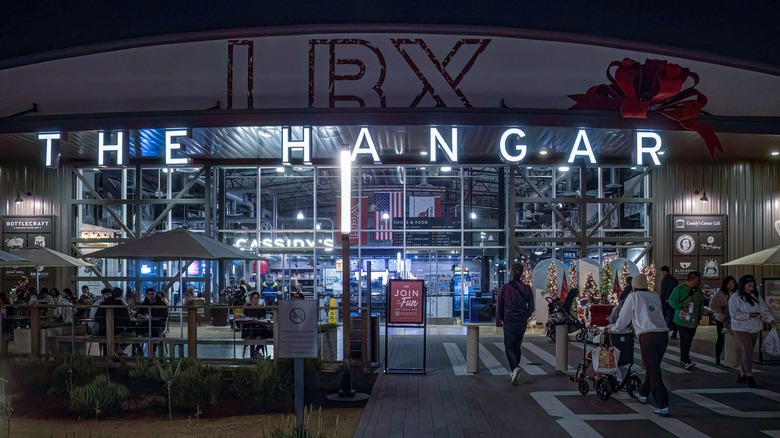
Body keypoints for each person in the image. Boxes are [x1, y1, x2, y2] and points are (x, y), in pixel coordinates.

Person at [607, 274, 670, 417]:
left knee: (654, 370)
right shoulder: (653, 295)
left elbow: (623, 318)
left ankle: (663, 404)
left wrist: (614, 329)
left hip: (647, 335)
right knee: (652, 366)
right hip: (663, 333)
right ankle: (643, 393)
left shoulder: (633, 297)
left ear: (633, 286)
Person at [729, 275, 776, 387]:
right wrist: (747, 315)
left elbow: (764, 310)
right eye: (748, 286)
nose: (751, 288)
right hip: (740, 327)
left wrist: (770, 320)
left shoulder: (756, 296)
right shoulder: (735, 297)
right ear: (742, 285)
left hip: (754, 326)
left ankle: (742, 374)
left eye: (752, 286)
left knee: (747, 351)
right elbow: (733, 314)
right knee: (748, 349)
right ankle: (749, 375)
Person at [496, 262, 534, 385]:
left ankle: (514, 368)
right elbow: (531, 307)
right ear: (522, 273)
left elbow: (499, 306)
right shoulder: (527, 288)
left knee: (508, 346)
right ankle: (514, 369)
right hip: (521, 320)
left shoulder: (504, 287)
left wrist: (502, 317)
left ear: (511, 273)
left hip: (509, 319)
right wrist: (525, 316)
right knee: (517, 345)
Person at [669, 271, 704, 370]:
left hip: (693, 320)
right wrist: (681, 305)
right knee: (685, 338)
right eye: (698, 279)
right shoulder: (679, 289)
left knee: (689, 339)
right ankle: (684, 359)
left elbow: (701, 304)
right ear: (692, 279)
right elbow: (672, 301)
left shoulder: (698, 291)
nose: (700, 281)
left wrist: (699, 316)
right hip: (682, 319)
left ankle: (685, 357)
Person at [710, 276, 737, 365]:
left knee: (734, 337)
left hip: (735, 319)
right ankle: (718, 356)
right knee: (721, 338)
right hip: (722, 319)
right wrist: (721, 311)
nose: (731, 285)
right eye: (729, 283)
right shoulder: (719, 294)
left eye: (732, 283)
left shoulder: (737, 294)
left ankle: (732, 357)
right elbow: (712, 306)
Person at [241, 292, 271, 358]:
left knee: (265, 331)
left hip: (260, 325)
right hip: (250, 327)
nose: (256, 299)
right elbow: (245, 317)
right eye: (254, 298)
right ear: (251, 298)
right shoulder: (248, 307)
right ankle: (254, 352)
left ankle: (256, 350)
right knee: (253, 330)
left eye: (257, 298)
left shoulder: (261, 307)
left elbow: (264, 316)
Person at [659, 266, 679, 339]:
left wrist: (661, 301)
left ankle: (666, 332)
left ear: (664, 271)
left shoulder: (665, 280)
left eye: (661, 272)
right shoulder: (674, 279)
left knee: (666, 317)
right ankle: (675, 332)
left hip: (666, 301)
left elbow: (662, 291)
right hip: (674, 301)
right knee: (673, 316)